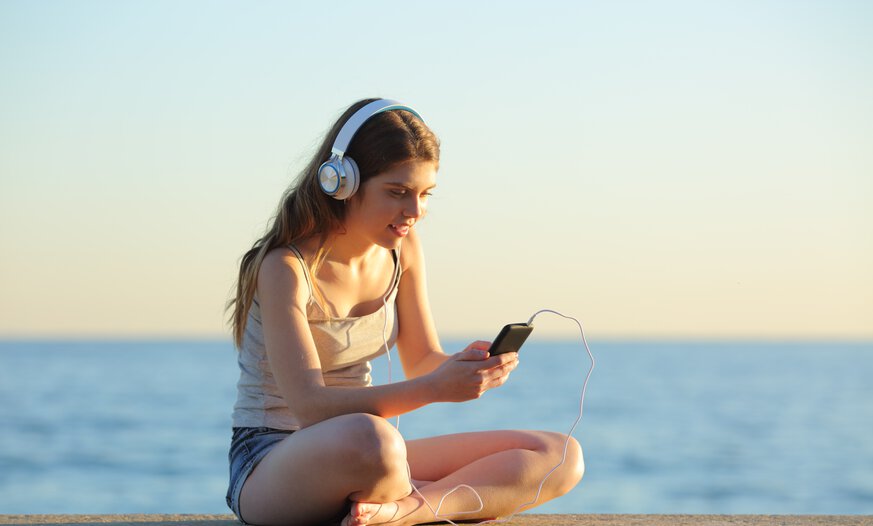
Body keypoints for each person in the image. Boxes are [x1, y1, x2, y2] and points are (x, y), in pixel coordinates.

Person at [226, 98, 584, 526]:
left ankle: (399, 512)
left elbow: (421, 361)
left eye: (424, 195)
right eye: (397, 193)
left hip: (374, 455)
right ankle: (407, 501)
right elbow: (310, 408)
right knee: (375, 441)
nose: (414, 212)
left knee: (561, 454)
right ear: (342, 183)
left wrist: (466, 369)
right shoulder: (285, 267)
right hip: (272, 462)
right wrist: (436, 388)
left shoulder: (402, 250)